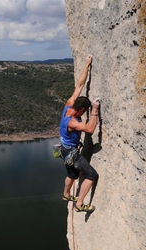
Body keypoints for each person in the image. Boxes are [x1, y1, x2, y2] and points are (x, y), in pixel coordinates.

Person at [60, 54, 100, 213]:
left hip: (64, 150)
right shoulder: (73, 122)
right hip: (71, 153)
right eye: (86, 111)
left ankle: (66, 194)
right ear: (83, 110)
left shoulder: (69, 105)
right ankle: (79, 204)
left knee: (72, 173)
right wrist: (95, 111)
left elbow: (79, 85)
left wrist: (87, 65)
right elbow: (90, 129)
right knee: (91, 175)